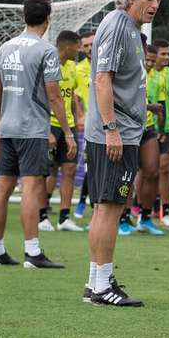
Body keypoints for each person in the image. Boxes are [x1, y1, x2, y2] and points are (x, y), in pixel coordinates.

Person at [84, 0, 165, 307]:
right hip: (114, 135)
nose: (155, 4)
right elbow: (103, 80)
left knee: (107, 207)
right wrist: (111, 128)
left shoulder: (131, 28)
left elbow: (119, 84)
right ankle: (102, 285)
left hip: (122, 130)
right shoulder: (118, 26)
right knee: (111, 208)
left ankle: (96, 281)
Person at [0, 0, 76, 268]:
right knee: (30, 186)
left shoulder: (5, 48)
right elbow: (54, 97)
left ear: (24, 17)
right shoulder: (46, 50)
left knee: (3, 187)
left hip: (8, 128)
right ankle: (32, 252)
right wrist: (68, 132)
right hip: (32, 129)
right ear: (47, 19)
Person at [117, 42, 165, 237]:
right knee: (128, 174)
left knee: (153, 172)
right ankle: (123, 218)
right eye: (147, 60)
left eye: (153, 61)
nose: (150, 64)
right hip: (127, 130)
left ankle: (145, 217)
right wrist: (148, 108)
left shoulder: (157, 79)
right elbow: (123, 102)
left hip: (148, 128)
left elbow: (160, 105)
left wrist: (162, 127)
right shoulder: (128, 73)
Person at [41, 30, 84, 232]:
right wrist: (44, 129)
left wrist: (76, 120)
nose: (80, 49)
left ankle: (64, 218)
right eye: (78, 46)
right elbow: (42, 98)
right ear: (68, 46)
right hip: (48, 125)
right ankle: (42, 216)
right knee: (47, 170)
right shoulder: (47, 64)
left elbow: (72, 96)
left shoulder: (72, 68)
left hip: (68, 126)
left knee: (70, 169)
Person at [149, 39, 169, 226]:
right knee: (147, 170)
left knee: (165, 169)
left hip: (167, 128)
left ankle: (165, 211)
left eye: (168, 54)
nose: (166, 57)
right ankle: (142, 206)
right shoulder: (146, 74)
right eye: (163, 54)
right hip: (149, 128)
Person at [74, 31, 94, 219]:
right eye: (86, 45)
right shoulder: (79, 69)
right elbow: (76, 96)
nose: (89, 48)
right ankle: (83, 201)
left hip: (114, 123)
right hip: (92, 126)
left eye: (92, 44)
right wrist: (80, 115)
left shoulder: (111, 63)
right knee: (91, 166)